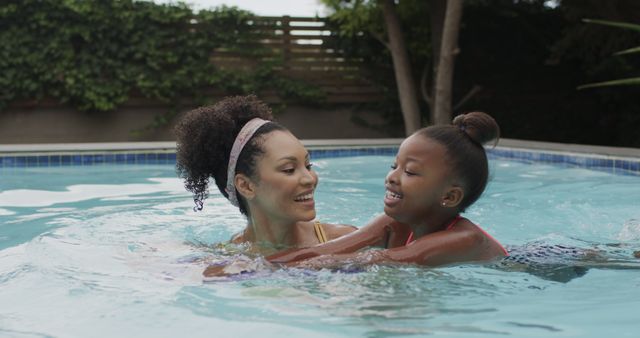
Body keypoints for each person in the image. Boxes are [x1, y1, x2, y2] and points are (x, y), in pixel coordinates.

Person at [269, 112, 508, 268]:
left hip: (529, 266)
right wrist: (254, 265)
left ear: (449, 196)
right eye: (395, 166)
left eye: (410, 172)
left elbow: (376, 259)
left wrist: (267, 273)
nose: (392, 177)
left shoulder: (465, 239)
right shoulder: (396, 221)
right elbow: (320, 252)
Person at [174, 95, 356, 273]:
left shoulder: (346, 240)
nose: (310, 178)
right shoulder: (226, 260)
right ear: (246, 186)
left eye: (308, 166)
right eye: (289, 169)